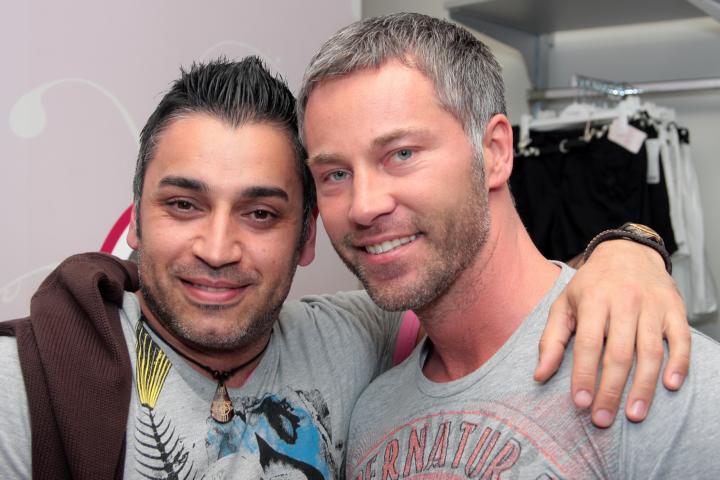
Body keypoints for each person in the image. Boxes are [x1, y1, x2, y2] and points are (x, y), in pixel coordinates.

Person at [0, 57, 686, 479]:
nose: (217, 247)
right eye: (184, 204)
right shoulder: (30, 382)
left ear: (307, 238)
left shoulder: (351, 335)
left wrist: (628, 248)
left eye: (260, 213)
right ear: (136, 220)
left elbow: (477, 280)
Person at [297, 12, 720, 478]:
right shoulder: (370, 414)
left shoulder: (653, 373)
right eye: (336, 174)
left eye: (402, 154)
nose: (363, 206)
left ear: (495, 152)